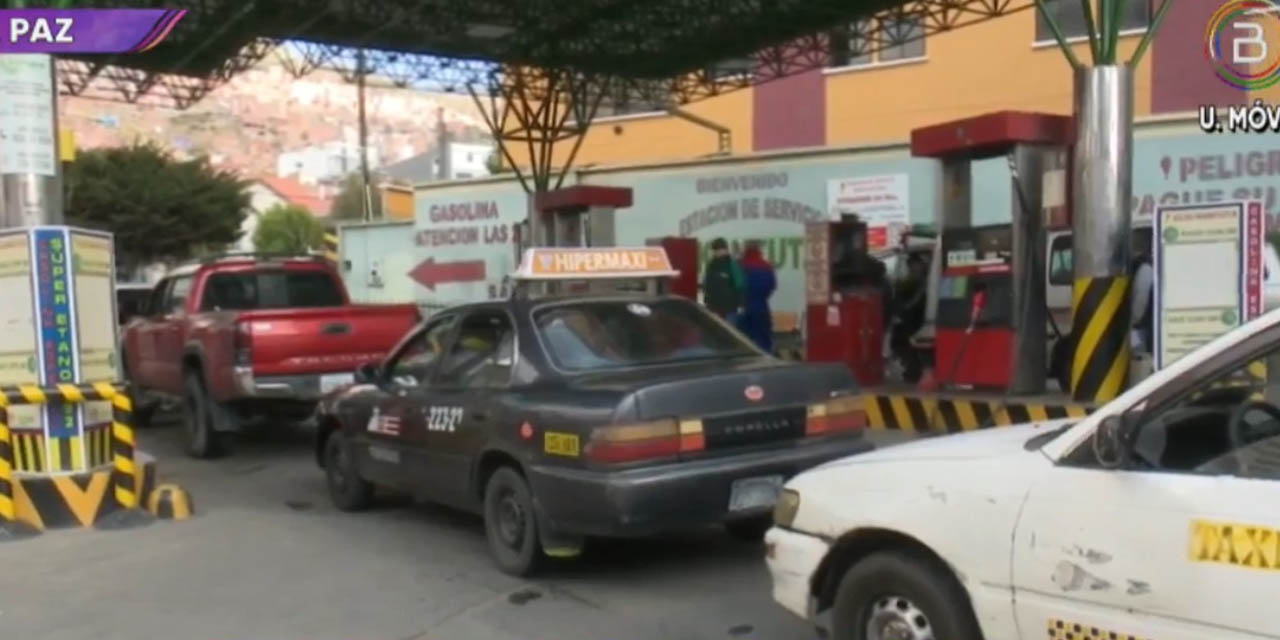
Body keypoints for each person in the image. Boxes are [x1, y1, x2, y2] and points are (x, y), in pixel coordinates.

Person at [890, 254, 929, 382]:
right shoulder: (908, 281)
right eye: (911, 264)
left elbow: (915, 301)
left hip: (918, 319)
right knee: (906, 347)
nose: (913, 267)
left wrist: (904, 310)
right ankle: (912, 372)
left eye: (915, 264)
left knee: (913, 347)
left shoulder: (924, 281)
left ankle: (915, 372)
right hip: (909, 321)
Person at [737, 241, 777, 352]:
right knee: (764, 338)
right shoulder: (767, 266)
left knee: (745, 340)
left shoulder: (740, 266)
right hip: (762, 306)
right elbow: (772, 285)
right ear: (759, 251)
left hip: (744, 307)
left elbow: (737, 287)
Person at [702, 237, 744, 323]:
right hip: (713, 307)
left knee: (729, 332)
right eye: (715, 250)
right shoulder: (711, 266)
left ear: (726, 250)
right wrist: (706, 300)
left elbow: (739, 285)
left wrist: (740, 304)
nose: (718, 252)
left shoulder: (732, 265)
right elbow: (707, 284)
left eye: (720, 249)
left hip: (729, 308)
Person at [1130, 248, 1155, 355]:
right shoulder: (1144, 266)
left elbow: (1141, 297)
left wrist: (1134, 320)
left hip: (1142, 327)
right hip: (1143, 325)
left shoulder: (1144, 268)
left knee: (1141, 356)